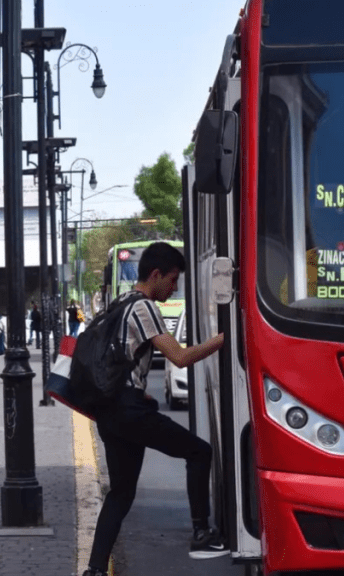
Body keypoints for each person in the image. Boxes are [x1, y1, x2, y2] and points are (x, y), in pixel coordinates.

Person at [81, 241, 226, 576]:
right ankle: (201, 533)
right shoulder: (144, 308)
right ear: (156, 274)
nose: (173, 288)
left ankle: (95, 569)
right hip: (129, 410)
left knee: (120, 493)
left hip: (110, 410)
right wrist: (224, 338)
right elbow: (180, 357)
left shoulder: (118, 304)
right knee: (199, 452)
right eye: (172, 280)